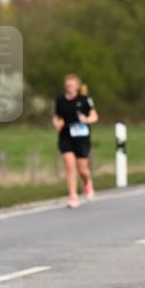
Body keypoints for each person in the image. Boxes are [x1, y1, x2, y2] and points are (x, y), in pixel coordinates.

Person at [52, 73, 99, 208]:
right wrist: (57, 123)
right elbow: (56, 116)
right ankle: (73, 196)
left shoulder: (85, 100)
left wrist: (87, 120)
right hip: (66, 136)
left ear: (77, 86)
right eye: (67, 85)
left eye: (72, 85)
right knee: (69, 165)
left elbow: (94, 116)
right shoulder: (60, 100)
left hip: (81, 137)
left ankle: (87, 182)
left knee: (82, 169)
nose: (70, 88)